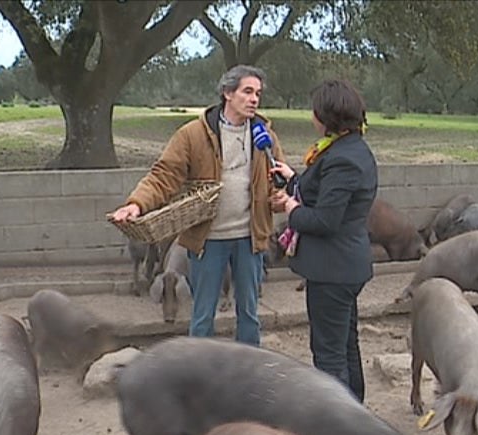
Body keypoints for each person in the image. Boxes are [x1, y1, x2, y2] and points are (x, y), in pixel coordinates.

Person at [110, 65, 283, 346]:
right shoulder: (193, 135)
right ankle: (198, 372)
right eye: (247, 92)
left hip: (250, 239)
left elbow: (278, 176)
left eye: (258, 94)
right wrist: (136, 204)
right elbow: (164, 174)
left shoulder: (266, 136)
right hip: (207, 240)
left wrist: (279, 195)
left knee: (249, 314)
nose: (254, 99)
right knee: (202, 314)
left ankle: (249, 372)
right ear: (227, 93)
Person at [269, 79, 377, 402]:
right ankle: (354, 411)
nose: (311, 117)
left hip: (333, 270)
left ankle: (337, 429)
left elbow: (324, 220)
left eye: (315, 111)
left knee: (328, 353)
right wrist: (294, 179)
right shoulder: (349, 149)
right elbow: (326, 193)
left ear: (328, 117)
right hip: (346, 267)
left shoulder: (342, 158)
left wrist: (291, 207)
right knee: (345, 344)